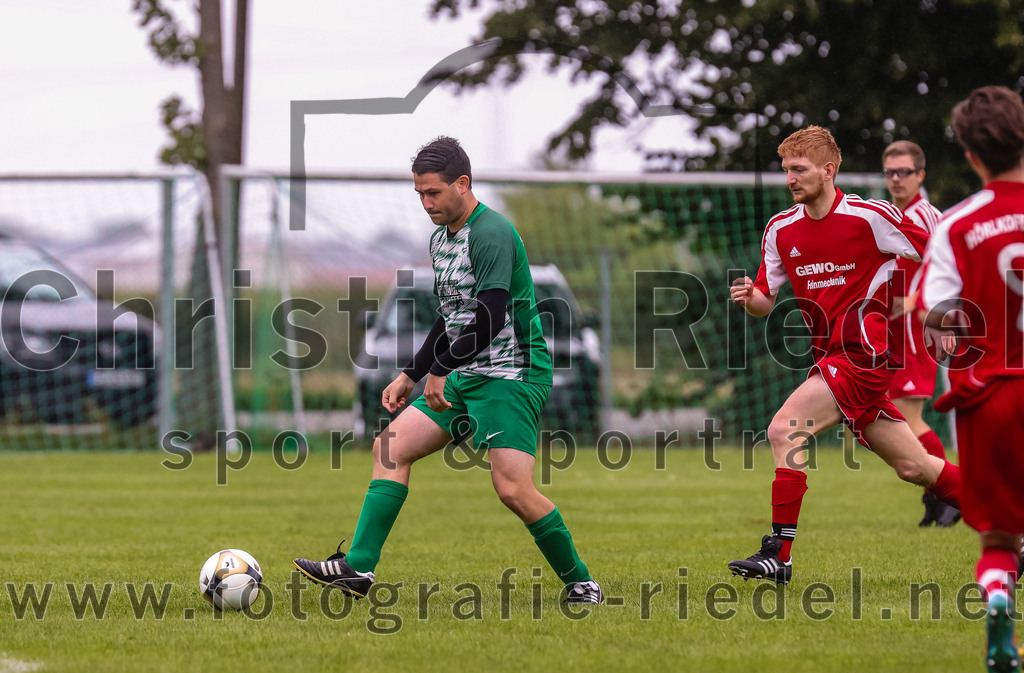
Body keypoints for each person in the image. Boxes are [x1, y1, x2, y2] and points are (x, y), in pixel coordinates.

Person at [293, 136, 603, 606]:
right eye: (419, 194)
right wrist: (411, 373)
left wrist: (440, 369)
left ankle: (582, 583)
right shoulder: (441, 239)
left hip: (510, 375)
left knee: (513, 490)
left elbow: (492, 313)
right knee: (390, 448)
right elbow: (453, 315)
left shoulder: (492, 232)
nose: (426, 203)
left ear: (463, 183)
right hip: (466, 371)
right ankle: (358, 567)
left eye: (433, 192)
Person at [727, 126, 962, 585]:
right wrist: (749, 297)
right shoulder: (781, 229)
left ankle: (779, 552)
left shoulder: (870, 217)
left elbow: (938, 252)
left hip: (864, 356)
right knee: (917, 467)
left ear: (828, 170)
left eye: (799, 169)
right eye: (786, 170)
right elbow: (764, 300)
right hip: (834, 357)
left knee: (784, 428)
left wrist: (944, 309)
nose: (790, 178)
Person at [919, 85, 1024, 673]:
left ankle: (1001, 602)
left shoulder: (956, 225)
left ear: (970, 156)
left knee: (1001, 540)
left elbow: (941, 318)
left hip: (987, 397)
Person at [881, 140, 961, 527]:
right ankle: (939, 495)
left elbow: (950, 264)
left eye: (905, 172)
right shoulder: (892, 214)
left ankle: (948, 491)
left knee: (905, 415)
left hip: (919, 329)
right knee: (897, 413)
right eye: (890, 172)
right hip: (895, 331)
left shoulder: (928, 215)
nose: (897, 179)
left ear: (920, 175)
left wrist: (913, 300)